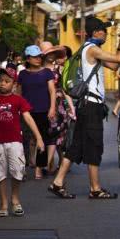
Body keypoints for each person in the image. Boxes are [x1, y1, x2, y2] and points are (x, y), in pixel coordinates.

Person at [49, 16, 120, 199]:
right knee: (94, 145)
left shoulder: (90, 49)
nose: (106, 35)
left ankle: (58, 182)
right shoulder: (92, 49)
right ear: (95, 32)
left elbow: (114, 65)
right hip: (91, 106)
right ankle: (95, 188)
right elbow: (119, 59)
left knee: (76, 144)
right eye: (104, 31)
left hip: (86, 105)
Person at [0, 67, 44, 217]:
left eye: (7, 81)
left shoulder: (18, 100)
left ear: (14, 84)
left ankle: (15, 199)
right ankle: (4, 203)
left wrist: (38, 137)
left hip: (15, 141)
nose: (2, 84)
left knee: (18, 171)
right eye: (0, 80)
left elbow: (28, 118)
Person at [17, 45, 56, 180]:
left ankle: (39, 168)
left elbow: (52, 91)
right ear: (28, 59)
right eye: (34, 57)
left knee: (42, 139)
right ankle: (23, 167)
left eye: (39, 56)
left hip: (43, 110)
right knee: (24, 141)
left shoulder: (47, 72)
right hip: (26, 112)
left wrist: (52, 108)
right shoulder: (22, 74)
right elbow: (19, 93)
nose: (38, 59)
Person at [41, 41, 75, 173]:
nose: (50, 55)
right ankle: (47, 164)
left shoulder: (59, 69)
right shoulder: (38, 69)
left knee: (59, 134)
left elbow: (64, 89)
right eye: (48, 52)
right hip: (44, 103)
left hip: (59, 105)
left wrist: (71, 107)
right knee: (48, 134)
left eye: (53, 52)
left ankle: (54, 163)